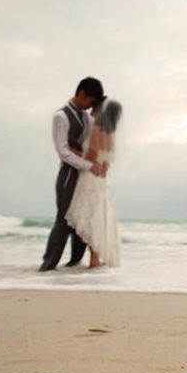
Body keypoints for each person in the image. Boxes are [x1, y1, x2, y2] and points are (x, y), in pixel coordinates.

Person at [38, 77, 107, 272]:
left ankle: (74, 265)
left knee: (81, 218)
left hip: (85, 176)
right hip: (69, 174)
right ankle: (48, 265)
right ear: (82, 93)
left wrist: (102, 160)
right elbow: (62, 151)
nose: (90, 107)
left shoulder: (88, 118)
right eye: (91, 102)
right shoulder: (61, 116)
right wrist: (88, 165)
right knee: (64, 219)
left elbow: (93, 145)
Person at [66, 99, 123, 268]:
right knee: (98, 218)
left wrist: (73, 151)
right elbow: (108, 160)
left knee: (89, 218)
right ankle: (98, 257)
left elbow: (90, 156)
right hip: (103, 181)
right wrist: (102, 165)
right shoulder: (111, 135)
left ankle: (94, 258)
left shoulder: (97, 130)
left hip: (91, 178)